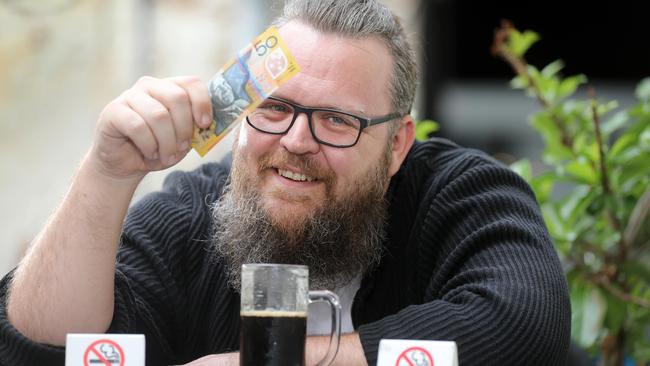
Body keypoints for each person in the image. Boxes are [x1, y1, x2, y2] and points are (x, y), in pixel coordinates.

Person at [0, 0, 571, 365]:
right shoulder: (193, 209)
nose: (297, 141)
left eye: (338, 120)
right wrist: (107, 172)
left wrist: (265, 363)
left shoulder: (459, 194)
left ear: (397, 144)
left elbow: (524, 327)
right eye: (274, 108)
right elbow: (36, 348)